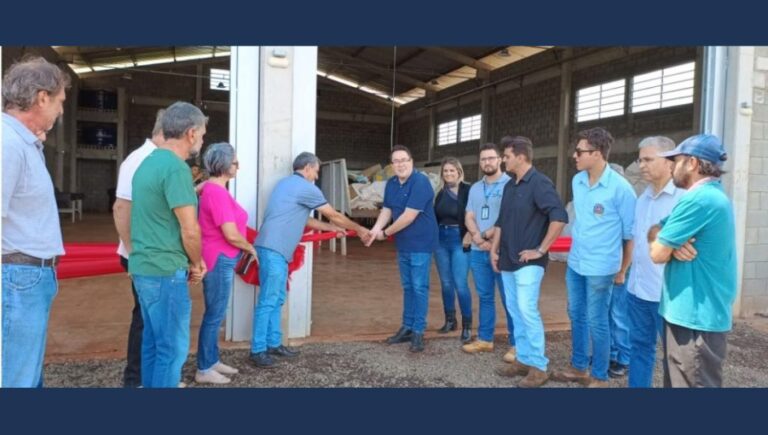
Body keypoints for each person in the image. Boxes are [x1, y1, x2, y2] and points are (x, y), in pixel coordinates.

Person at [251, 152, 370, 367]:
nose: (316, 176)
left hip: (272, 248)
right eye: (316, 171)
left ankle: (273, 343)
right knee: (269, 300)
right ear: (306, 168)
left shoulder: (285, 185)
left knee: (276, 298)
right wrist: (359, 229)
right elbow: (333, 214)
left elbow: (304, 218)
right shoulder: (307, 188)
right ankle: (258, 350)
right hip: (274, 249)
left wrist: (332, 229)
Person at [2, 56, 70, 387]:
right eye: (59, 102)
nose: (60, 111)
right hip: (18, 277)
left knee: (26, 375)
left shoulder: (20, 142)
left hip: (26, 278)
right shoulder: (8, 144)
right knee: (17, 379)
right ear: (42, 97)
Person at [129, 101, 208, 388]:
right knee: (172, 349)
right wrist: (198, 263)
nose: (201, 140)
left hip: (144, 268)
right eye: (201, 134)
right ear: (190, 132)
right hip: (165, 270)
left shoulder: (146, 164)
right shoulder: (176, 169)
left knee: (152, 344)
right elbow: (189, 230)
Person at [649, 134, 736, 388]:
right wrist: (668, 243)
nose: (671, 167)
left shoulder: (699, 200)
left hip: (695, 318)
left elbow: (656, 254)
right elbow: (656, 230)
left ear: (693, 163)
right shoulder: (708, 195)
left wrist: (667, 246)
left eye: (675, 161)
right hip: (690, 314)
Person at [552, 127, 636, 388]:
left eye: (580, 151)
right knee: (575, 313)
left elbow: (630, 235)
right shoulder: (578, 181)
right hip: (576, 262)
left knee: (598, 319)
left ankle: (599, 374)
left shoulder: (621, 189)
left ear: (597, 154)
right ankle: (579, 366)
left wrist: (622, 270)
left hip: (602, 266)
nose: (574, 156)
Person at [492, 136, 568, 388]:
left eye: (507, 155)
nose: (504, 159)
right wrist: (494, 250)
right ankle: (523, 360)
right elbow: (501, 222)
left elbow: (559, 217)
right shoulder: (509, 186)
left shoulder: (540, 183)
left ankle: (539, 366)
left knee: (527, 309)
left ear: (521, 157)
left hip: (529, 262)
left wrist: (540, 249)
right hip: (507, 259)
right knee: (515, 310)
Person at [626, 136, 685, 388]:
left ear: (669, 161)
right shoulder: (642, 199)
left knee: (676, 360)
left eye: (648, 159)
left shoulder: (683, 200)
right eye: (640, 160)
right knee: (639, 349)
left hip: (667, 296)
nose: (642, 165)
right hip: (638, 291)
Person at [367, 145, 439, 353]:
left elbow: (409, 216)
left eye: (403, 160)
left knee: (419, 287)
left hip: (421, 243)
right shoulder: (391, 184)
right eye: (396, 161)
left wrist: (386, 234)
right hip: (404, 243)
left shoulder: (421, 182)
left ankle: (418, 330)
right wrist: (374, 231)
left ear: (411, 161)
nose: (400, 164)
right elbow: (387, 210)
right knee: (408, 286)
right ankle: (407, 327)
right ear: (392, 165)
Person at [112, 109, 165, 388]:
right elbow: (121, 208)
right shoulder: (141, 160)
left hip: (147, 256)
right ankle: (136, 380)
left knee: (149, 318)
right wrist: (135, 256)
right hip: (142, 257)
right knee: (145, 321)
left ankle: (146, 377)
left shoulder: (151, 159)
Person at [195, 142, 255, 384]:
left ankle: (211, 359)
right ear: (222, 164)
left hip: (220, 257)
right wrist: (250, 248)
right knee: (215, 314)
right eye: (234, 162)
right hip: (219, 258)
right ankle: (204, 367)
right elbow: (230, 233)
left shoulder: (212, 189)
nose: (238, 165)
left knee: (216, 313)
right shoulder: (217, 192)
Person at [463, 143, 516, 361]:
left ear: (500, 160)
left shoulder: (511, 185)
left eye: (491, 158)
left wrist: (486, 237)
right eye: (483, 159)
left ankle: (517, 344)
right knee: (485, 296)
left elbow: (508, 218)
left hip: (501, 251)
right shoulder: (475, 187)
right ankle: (485, 339)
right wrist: (476, 237)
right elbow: (469, 215)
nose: (487, 162)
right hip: (477, 251)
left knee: (509, 298)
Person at [433, 157, 473, 342]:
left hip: (460, 239)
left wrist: (471, 235)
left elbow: (476, 215)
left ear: (459, 171)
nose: (449, 174)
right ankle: (450, 320)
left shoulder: (468, 190)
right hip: (441, 240)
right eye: (445, 171)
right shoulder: (440, 193)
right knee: (446, 283)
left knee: (460, 283)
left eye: (452, 170)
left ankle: (467, 325)